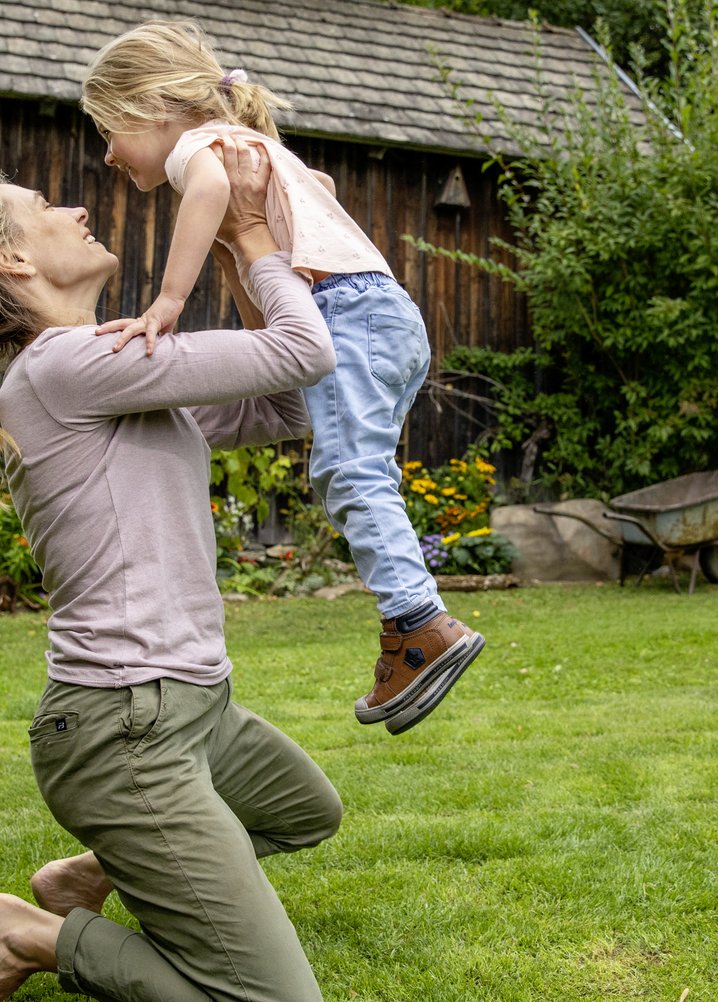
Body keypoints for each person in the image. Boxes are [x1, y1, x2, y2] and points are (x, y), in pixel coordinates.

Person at [0, 142, 341, 1002]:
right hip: (122, 730)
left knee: (302, 812)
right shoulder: (64, 370)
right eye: (45, 205)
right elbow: (304, 349)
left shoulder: (103, 362)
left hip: (192, 705)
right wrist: (250, 230)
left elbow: (286, 404)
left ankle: (97, 871)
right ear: (10, 259)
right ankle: (27, 933)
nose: (76, 209)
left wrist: (238, 247)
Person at [81, 19, 484, 734]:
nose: (107, 152)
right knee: (346, 466)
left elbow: (209, 196)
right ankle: (409, 629)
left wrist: (168, 304)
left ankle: (421, 624)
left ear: (149, 106)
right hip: (378, 316)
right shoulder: (255, 148)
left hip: (347, 314)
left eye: (107, 128)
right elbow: (304, 202)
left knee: (351, 474)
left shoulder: (201, 151)